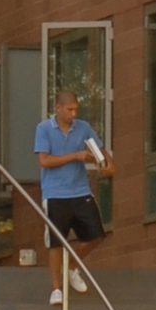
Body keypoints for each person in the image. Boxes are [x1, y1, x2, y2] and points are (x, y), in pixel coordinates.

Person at [33, 86, 112, 291]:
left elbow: (101, 152)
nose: (73, 114)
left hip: (81, 190)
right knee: (56, 241)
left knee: (96, 235)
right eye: (69, 109)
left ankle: (72, 265)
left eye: (76, 109)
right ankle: (56, 289)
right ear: (58, 108)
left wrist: (107, 165)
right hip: (54, 192)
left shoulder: (83, 127)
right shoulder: (44, 129)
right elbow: (44, 161)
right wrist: (77, 156)